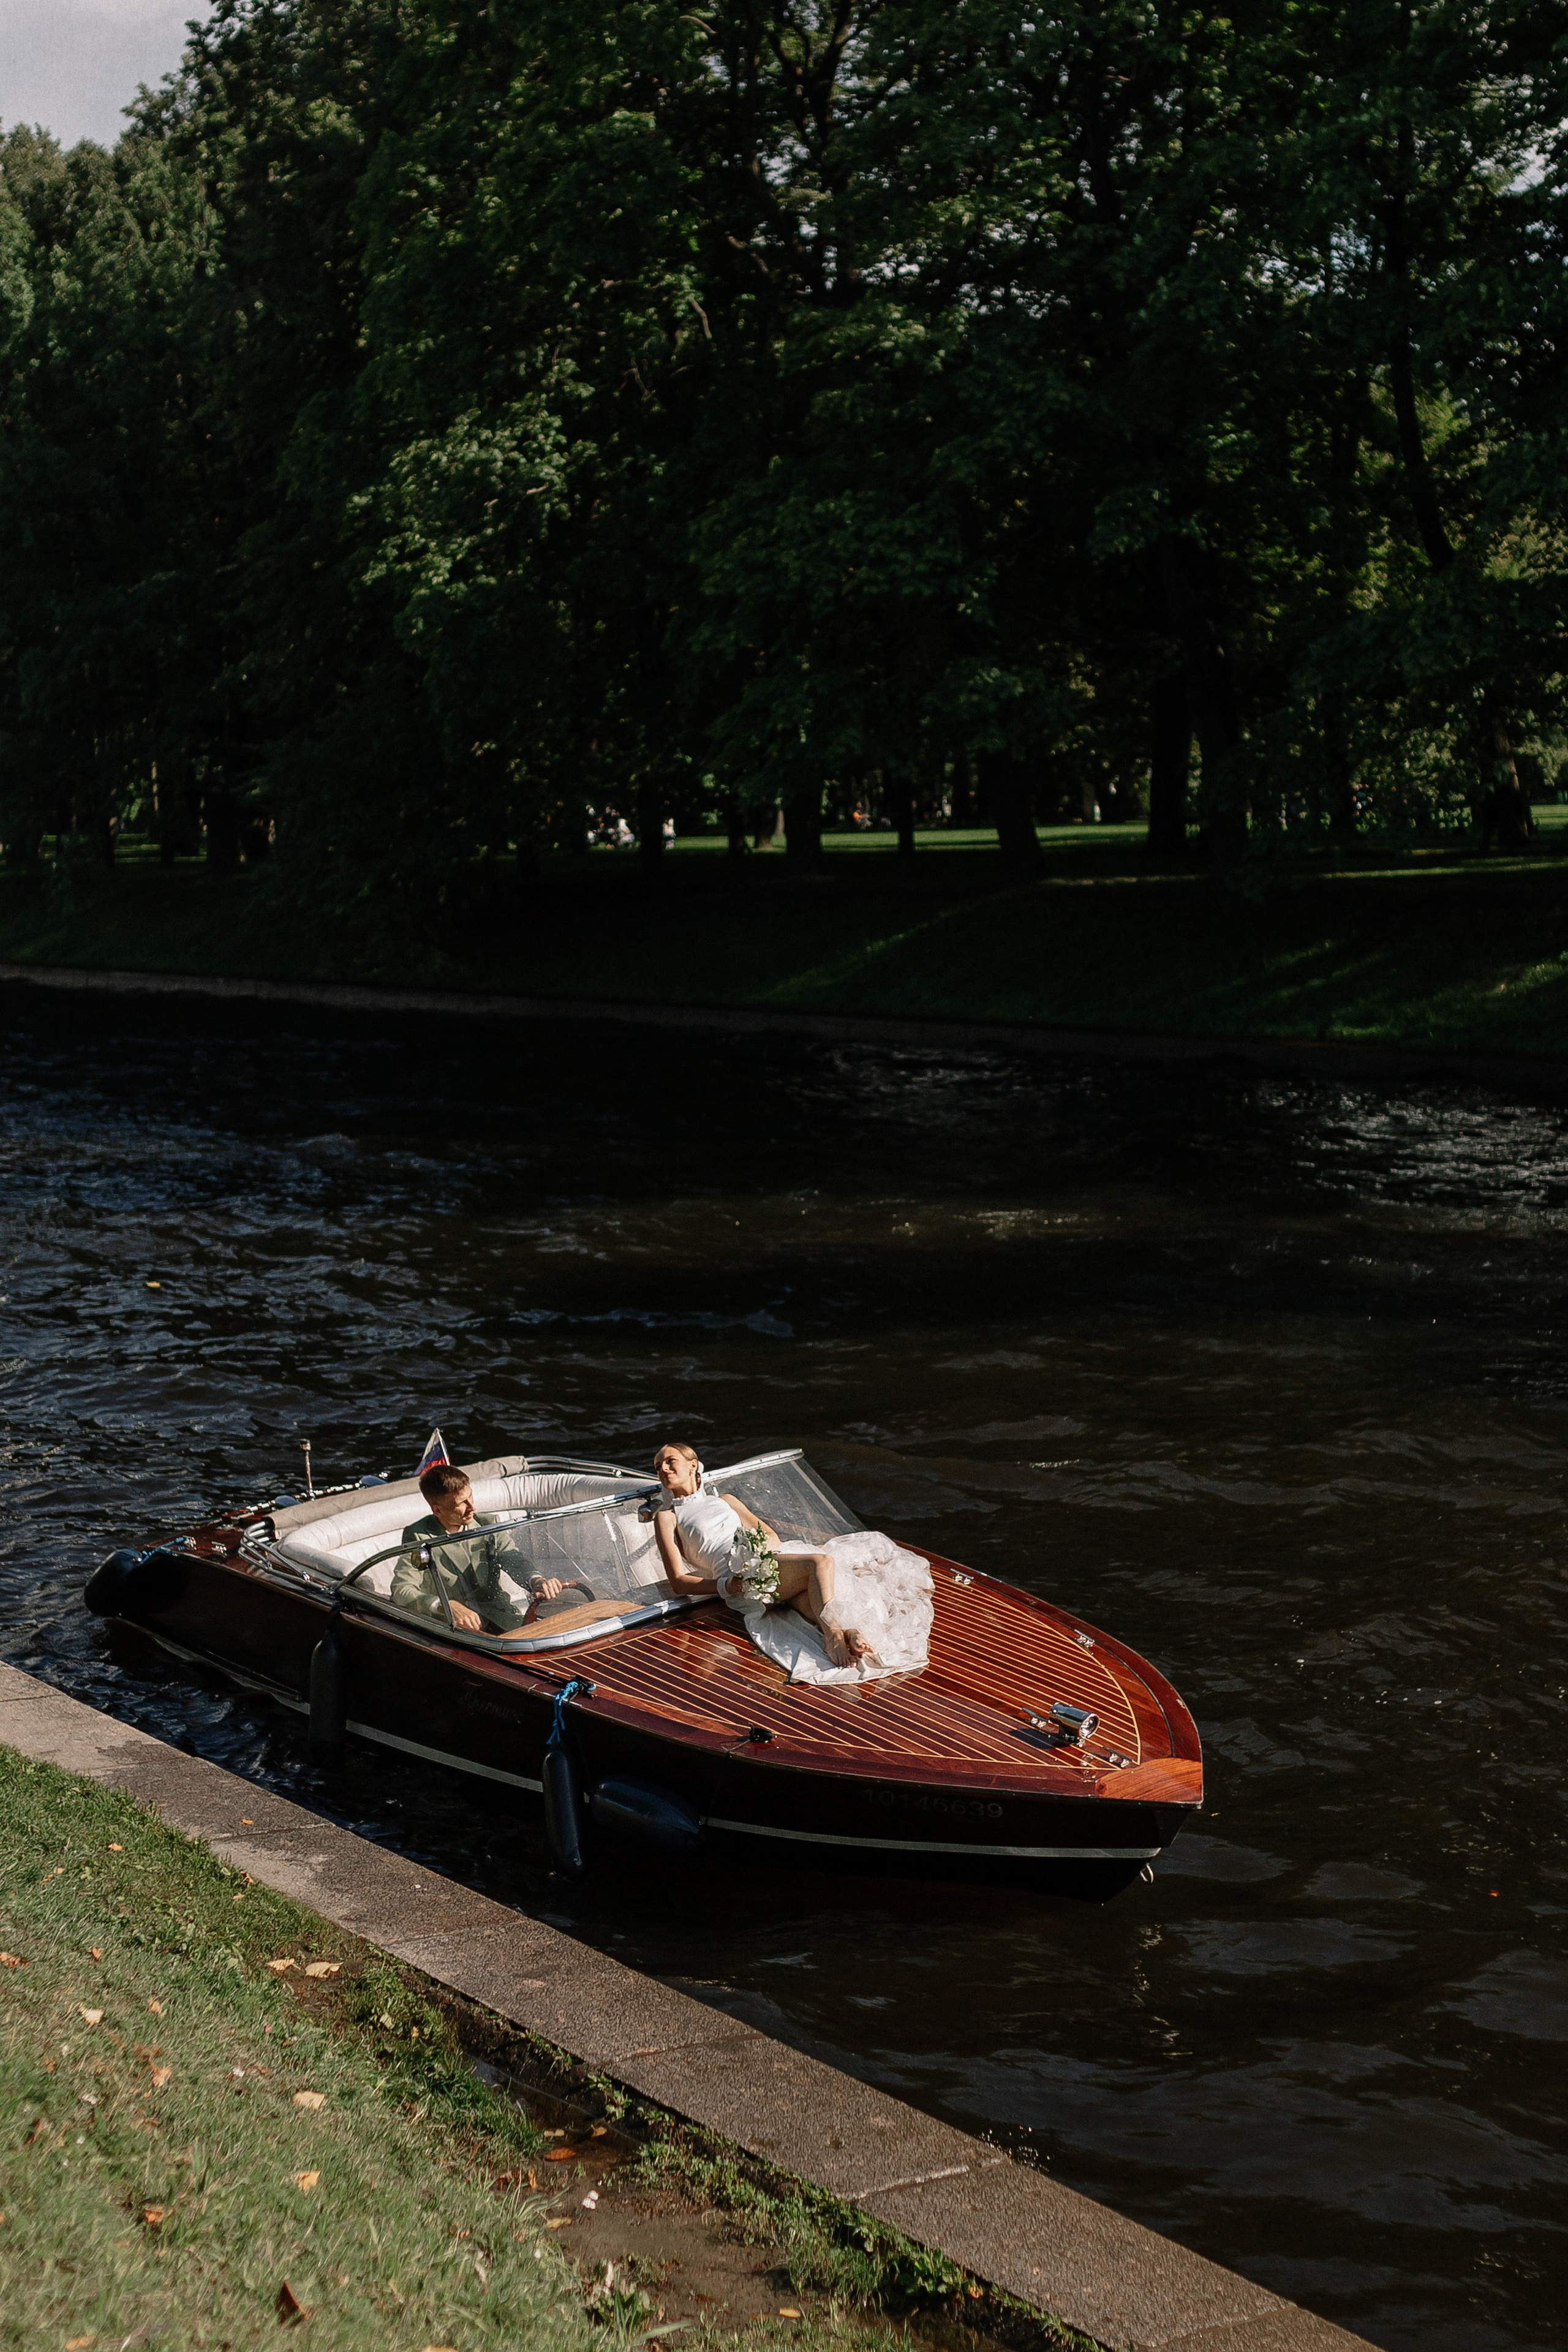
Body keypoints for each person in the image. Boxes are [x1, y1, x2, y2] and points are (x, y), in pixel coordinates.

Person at [650, 1441, 875, 1668]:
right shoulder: (667, 1518)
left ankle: (847, 1631)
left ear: (693, 1465)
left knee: (806, 1595)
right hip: (737, 1584)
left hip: (760, 1565)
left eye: (670, 1461)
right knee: (820, 1562)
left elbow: (769, 1535)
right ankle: (833, 1637)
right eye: (658, 1467)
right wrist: (727, 1585)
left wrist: (754, 1555)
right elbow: (679, 1582)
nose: (664, 1469)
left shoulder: (725, 1500)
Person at [391, 1463, 567, 1634]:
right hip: (454, 1630)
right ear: (437, 1510)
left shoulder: (488, 1525)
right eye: (461, 1503)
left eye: (471, 1497)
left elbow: (514, 1561)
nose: (472, 1507)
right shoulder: (419, 1536)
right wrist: (445, 1606)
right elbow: (402, 1589)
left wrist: (536, 1581)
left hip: (502, 1618)